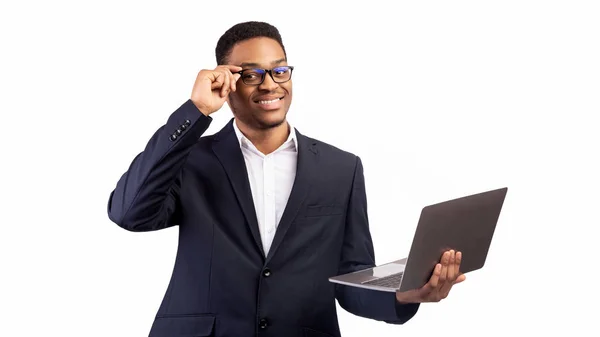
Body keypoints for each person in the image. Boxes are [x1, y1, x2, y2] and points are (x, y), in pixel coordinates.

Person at [107, 21, 466, 337]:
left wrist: (405, 293)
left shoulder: (341, 169)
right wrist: (196, 111)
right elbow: (129, 213)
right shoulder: (191, 160)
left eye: (280, 71)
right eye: (251, 74)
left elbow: (350, 281)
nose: (270, 85)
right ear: (227, 81)